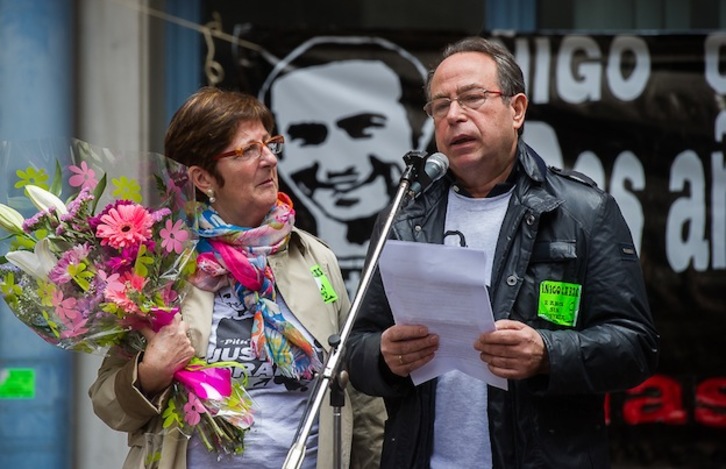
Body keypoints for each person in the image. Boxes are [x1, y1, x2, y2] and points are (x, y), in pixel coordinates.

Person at [346, 36, 660, 468]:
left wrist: (548, 353)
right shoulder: (404, 215)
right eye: (441, 106)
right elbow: (357, 346)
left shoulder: (583, 211)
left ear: (517, 110)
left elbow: (636, 347)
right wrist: (384, 356)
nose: (455, 115)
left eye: (473, 98)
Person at [88, 87, 385, 469]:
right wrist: (149, 374)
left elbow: (355, 390)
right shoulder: (164, 267)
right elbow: (108, 405)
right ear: (203, 177)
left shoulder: (314, 257)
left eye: (269, 144)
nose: (269, 161)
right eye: (247, 151)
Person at [258, 37, 434, 294]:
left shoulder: (446, 243)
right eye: (308, 137)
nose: (336, 169)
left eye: (362, 128)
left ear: (417, 133)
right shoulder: (298, 262)